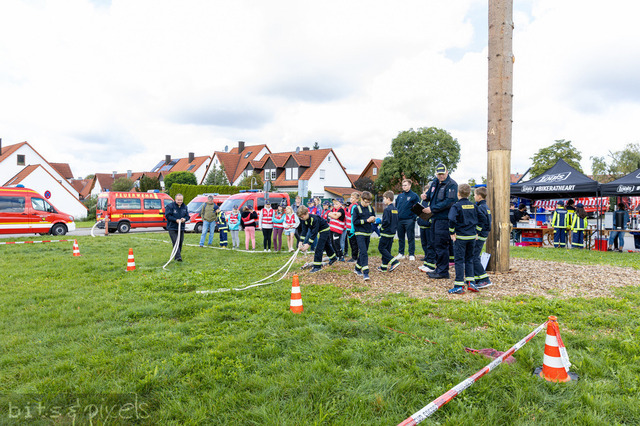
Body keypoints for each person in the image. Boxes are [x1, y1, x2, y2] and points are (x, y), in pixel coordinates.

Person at [424, 163, 458, 279]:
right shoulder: (435, 182)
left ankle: (443, 271)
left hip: (444, 219)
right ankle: (439, 268)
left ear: (447, 172)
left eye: (443, 174)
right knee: (435, 243)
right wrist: (425, 196)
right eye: (439, 174)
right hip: (435, 218)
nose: (441, 176)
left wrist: (432, 208)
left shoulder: (452, 184)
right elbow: (430, 195)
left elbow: (449, 202)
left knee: (441, 245)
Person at [447, 183, 478, 294]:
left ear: (458, 193)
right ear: (469, 194)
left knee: (459, 261)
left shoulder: (456, 206)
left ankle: (459, 286)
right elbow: (481, 218)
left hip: (460, 237)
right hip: (472, 237)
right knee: (469, 259)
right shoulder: (474, 206)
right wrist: (477, 231)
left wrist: (452, 232)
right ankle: (471, 282)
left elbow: (451, 219)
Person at [297, 205, 337, 273]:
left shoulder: (314, 219)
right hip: (319, 230)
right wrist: (300, 241)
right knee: (326, 245)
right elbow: (304, 231)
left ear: (306, 213)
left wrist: (308, 244)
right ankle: (333, 258)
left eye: (302, 217)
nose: (301, 219)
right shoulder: (303, 220)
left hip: (325, 230)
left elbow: (314, 233)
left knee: (319, 248)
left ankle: (317, 267)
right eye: (300, 217)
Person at [351, 191, 376, 281]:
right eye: (366, 202)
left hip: (368, 233)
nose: (367, 204)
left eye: (369, 202)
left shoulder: (370, 208)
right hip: (359, 233)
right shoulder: (356, 209)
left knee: (362, 252)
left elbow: (373, 218)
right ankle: (365, 273)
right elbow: (355, 222)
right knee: (364, 252)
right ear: (361, 199)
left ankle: (357, 268)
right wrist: (366, 220)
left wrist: (373, 220)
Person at [395, 179, 420, 261]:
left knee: (410, 238)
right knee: (400, 238)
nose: (404, 187)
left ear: (410, 185)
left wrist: (413, 218)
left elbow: (418, 208)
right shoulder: (400, 196)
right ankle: (401, 253)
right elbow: (396, 207)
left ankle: (411, 254)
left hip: (409, 220)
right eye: (403, 185)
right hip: (399, 220)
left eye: (405, 185)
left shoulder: (414, 196)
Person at [472, 187, 492, 288]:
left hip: (479, 235)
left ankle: (485, 279)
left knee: (474, 257)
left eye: (475, 195)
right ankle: (477, 278)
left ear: (479, 196)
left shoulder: (480, 207)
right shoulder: (486, 207)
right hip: (484, 234)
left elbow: (482, 221)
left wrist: (477, 232)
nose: (474, 197)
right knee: (475, 256)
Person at [378, 191, 400, 272]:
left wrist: (381, 228)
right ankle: (383, 267)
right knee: (387, 250)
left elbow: (386, 221)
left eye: (384, 198)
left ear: (388, 198)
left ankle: (394, 261)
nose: (383, 200)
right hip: (392, 233)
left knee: (381, 248)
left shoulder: (387, 209)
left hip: (386, 233)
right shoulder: (395, 209)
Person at [165, 193, 190, 262]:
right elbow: (168, 216)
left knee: (180, 242)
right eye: (178, 200)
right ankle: (178, 257)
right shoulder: (170, 206)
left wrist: (184, 219)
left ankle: (177, 256)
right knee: (175, 241)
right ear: (175, 199)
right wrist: (175, 220)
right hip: (172, 227)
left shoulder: (184, 207)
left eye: (181, 200)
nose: (180, 201)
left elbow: (187, 216)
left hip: (181, 227)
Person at [418, 184, 436, 273]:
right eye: (425, 192)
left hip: (429, 227)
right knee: (424, 244)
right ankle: (426, 261)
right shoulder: (421, 201)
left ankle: (431, 262)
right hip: (422, 226)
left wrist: (428, 221)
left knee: (430, 245)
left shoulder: (432, 202)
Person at [346, 192, 361, 263]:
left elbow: (353, 218)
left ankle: (355, 257)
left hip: (352, 229)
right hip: (348, 228)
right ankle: (353, 256)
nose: (351, 199)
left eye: (353, 198)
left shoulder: (354, 207)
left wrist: (352, 229)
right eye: (351, 197)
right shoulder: (351, 206)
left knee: (354, 243)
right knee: (351, 243)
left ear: (357, 199)